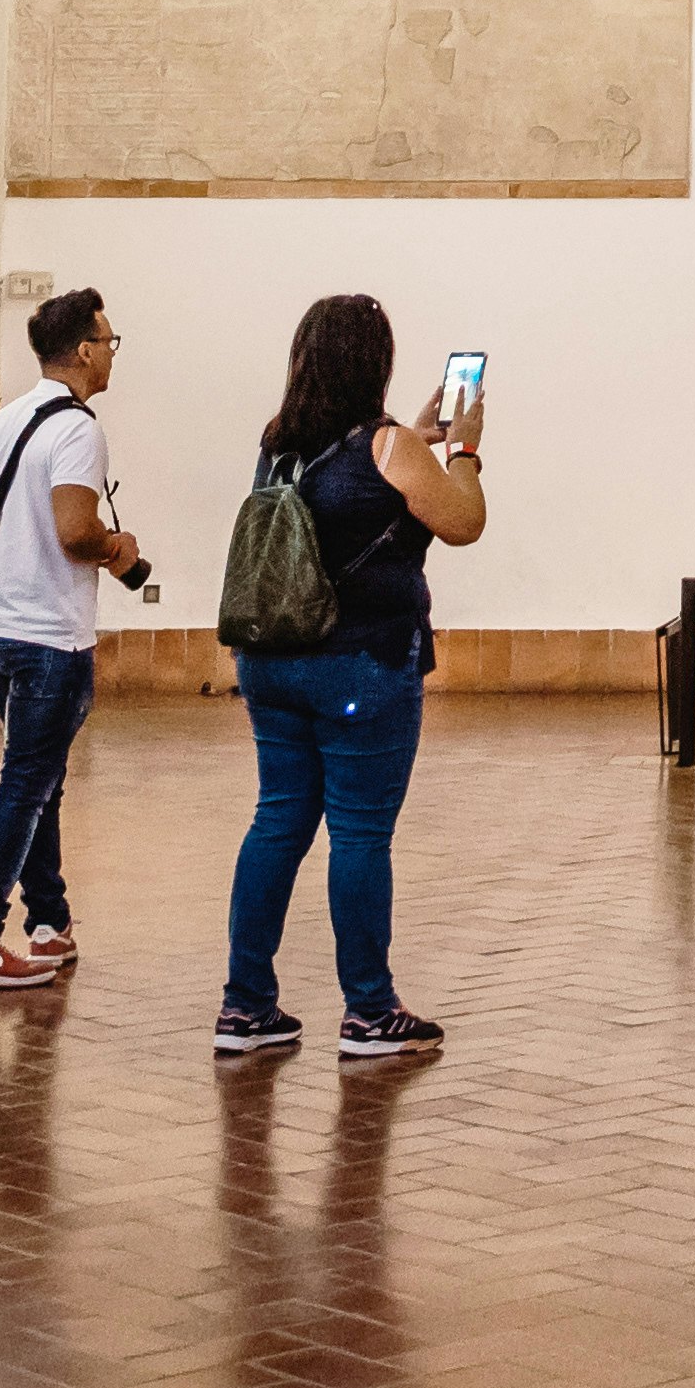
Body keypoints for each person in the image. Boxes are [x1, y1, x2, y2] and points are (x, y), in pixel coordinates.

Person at [217, 294, 486, 1059]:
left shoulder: (279, 441)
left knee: (278, 821)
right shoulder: (389, 446)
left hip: (271, 660)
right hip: (360, 665)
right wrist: (463, 450)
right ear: (377, 362)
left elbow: (347, 485)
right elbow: (463, 521)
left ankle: (245, 1008)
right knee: (361, 833)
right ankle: (369, 1011)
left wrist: (415, 437)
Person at [0, 286, 146, 991]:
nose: (112, 353)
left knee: (41, 780)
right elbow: (74, 532)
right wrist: (118, 548)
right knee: (27, 784)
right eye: (109, 341)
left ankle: (49, 920)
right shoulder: (78, 431)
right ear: (86, 350)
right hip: (50, 638)